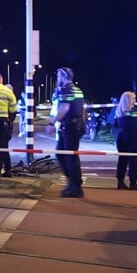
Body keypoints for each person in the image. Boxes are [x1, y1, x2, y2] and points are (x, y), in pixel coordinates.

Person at [49, 67, 86, 196]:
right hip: (75, 125)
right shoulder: (77, 89)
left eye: (59, 76)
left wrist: (51, 123)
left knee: (69, 156)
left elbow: (64, 108)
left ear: (64, 77)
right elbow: (81, 109)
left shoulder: (67, 90)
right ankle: (74, 183)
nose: (57, 78)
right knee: (65, 154)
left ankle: (75, 186)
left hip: (70, 126)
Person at [113, 90, 137, 189]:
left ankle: (120, 182)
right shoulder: (134, 112)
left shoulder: (118, 111)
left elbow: (115, 125)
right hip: (132, 138)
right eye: (134, 98)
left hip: (121, 137)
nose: (135, 100)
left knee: (122, 160)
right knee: (133, 161)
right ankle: (133, 183)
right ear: (130, 100)